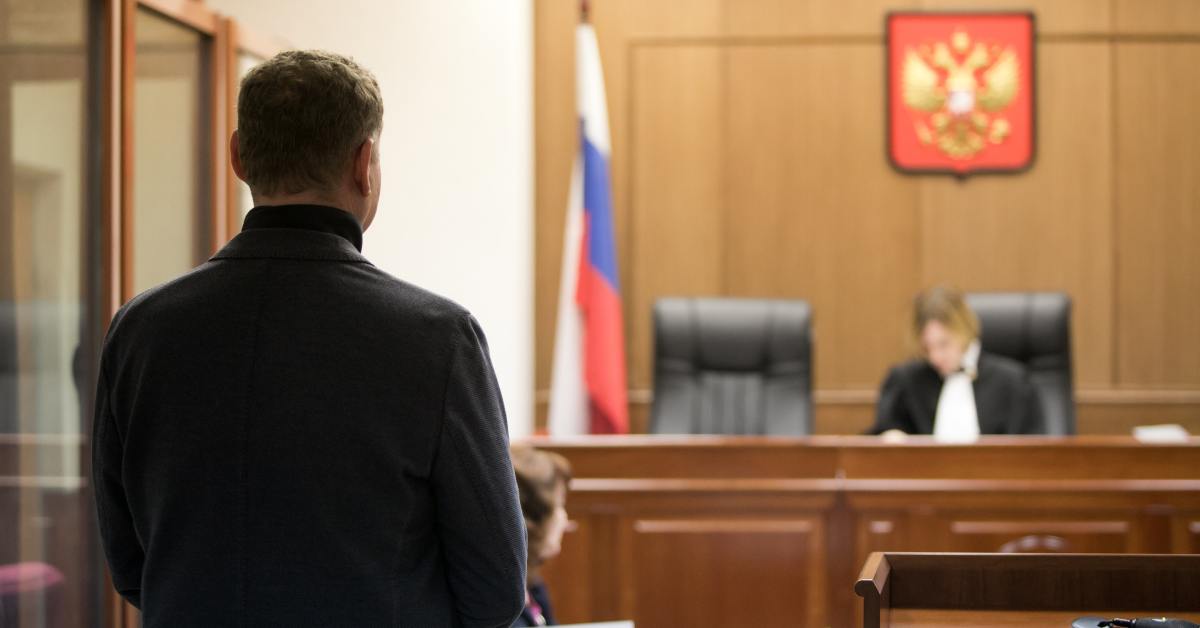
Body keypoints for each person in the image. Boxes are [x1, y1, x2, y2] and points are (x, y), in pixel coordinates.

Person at [91, 50, 526, 627]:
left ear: (238, 155)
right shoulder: (437, 339)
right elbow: (494, 589)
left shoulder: (139, 331)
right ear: (364, 163)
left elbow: (129, 565)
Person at [869, 286, 1044, 438]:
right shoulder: (906, 381)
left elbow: (1033, 453)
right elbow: (880, 438)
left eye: (944, 344)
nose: (935, 357)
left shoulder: (1014, 383)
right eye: (927, 348)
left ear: (966, 332)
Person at [510, 446, 572, 627]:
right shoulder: (505, 611)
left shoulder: (531, 583)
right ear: (533, 521)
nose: (565, 519)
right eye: (560, 505)